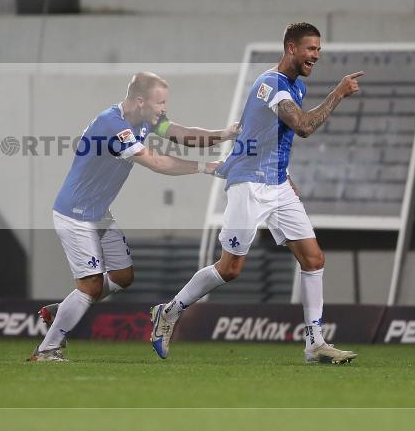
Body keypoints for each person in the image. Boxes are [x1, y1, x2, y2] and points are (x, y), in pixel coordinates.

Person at [150, 22, 361, 365]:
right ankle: (170, 310)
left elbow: (268, 135)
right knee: (230, 269)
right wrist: (337, 93)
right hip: (248, 183)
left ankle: (315, 343)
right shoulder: (270, 84)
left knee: (313, 259)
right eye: (311, 49)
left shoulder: (296, 87)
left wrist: (285, 175)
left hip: (277, 185)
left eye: (319, 50)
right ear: (291, 48)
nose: (316, 56)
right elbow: (302, 127)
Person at [29, 72, 238, 362]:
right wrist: (207, 167)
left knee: (122, 276)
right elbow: (156, 162)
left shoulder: (147, 120)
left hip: (99, 213)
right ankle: (46, 349)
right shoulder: (113, 125)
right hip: (75, 214)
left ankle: (62, 311)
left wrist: (224, 134)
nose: (164, 108)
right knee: (90, 286)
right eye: (160, 102)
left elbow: (182, 134)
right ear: (140, 101)